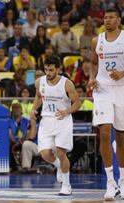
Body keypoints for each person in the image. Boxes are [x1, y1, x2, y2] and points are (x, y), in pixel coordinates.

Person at [31, 55, 80, 196]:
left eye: (51, 70)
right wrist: (34, 110)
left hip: (62, 120)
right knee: (45, 154)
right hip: (46, 121)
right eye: (46, 69)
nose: (48, 73)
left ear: (58, 69)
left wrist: (67, 111)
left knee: (61, 152)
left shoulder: (67, 84)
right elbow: (39, 97)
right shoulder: (39, 82)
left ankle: (66, 185)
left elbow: (77, 102)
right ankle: (59, 165)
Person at [88, 8, 124, 201]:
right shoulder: (97, 41)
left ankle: (123, 181)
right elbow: (93, 63)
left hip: (122, 89)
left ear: (118, 19)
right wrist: (92, 77)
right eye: (105, 17)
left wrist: (122, 73)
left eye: (111, 17)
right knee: (104, 131)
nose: (107, 20)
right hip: (102, 90)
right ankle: (110, 183)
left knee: (121, 136)